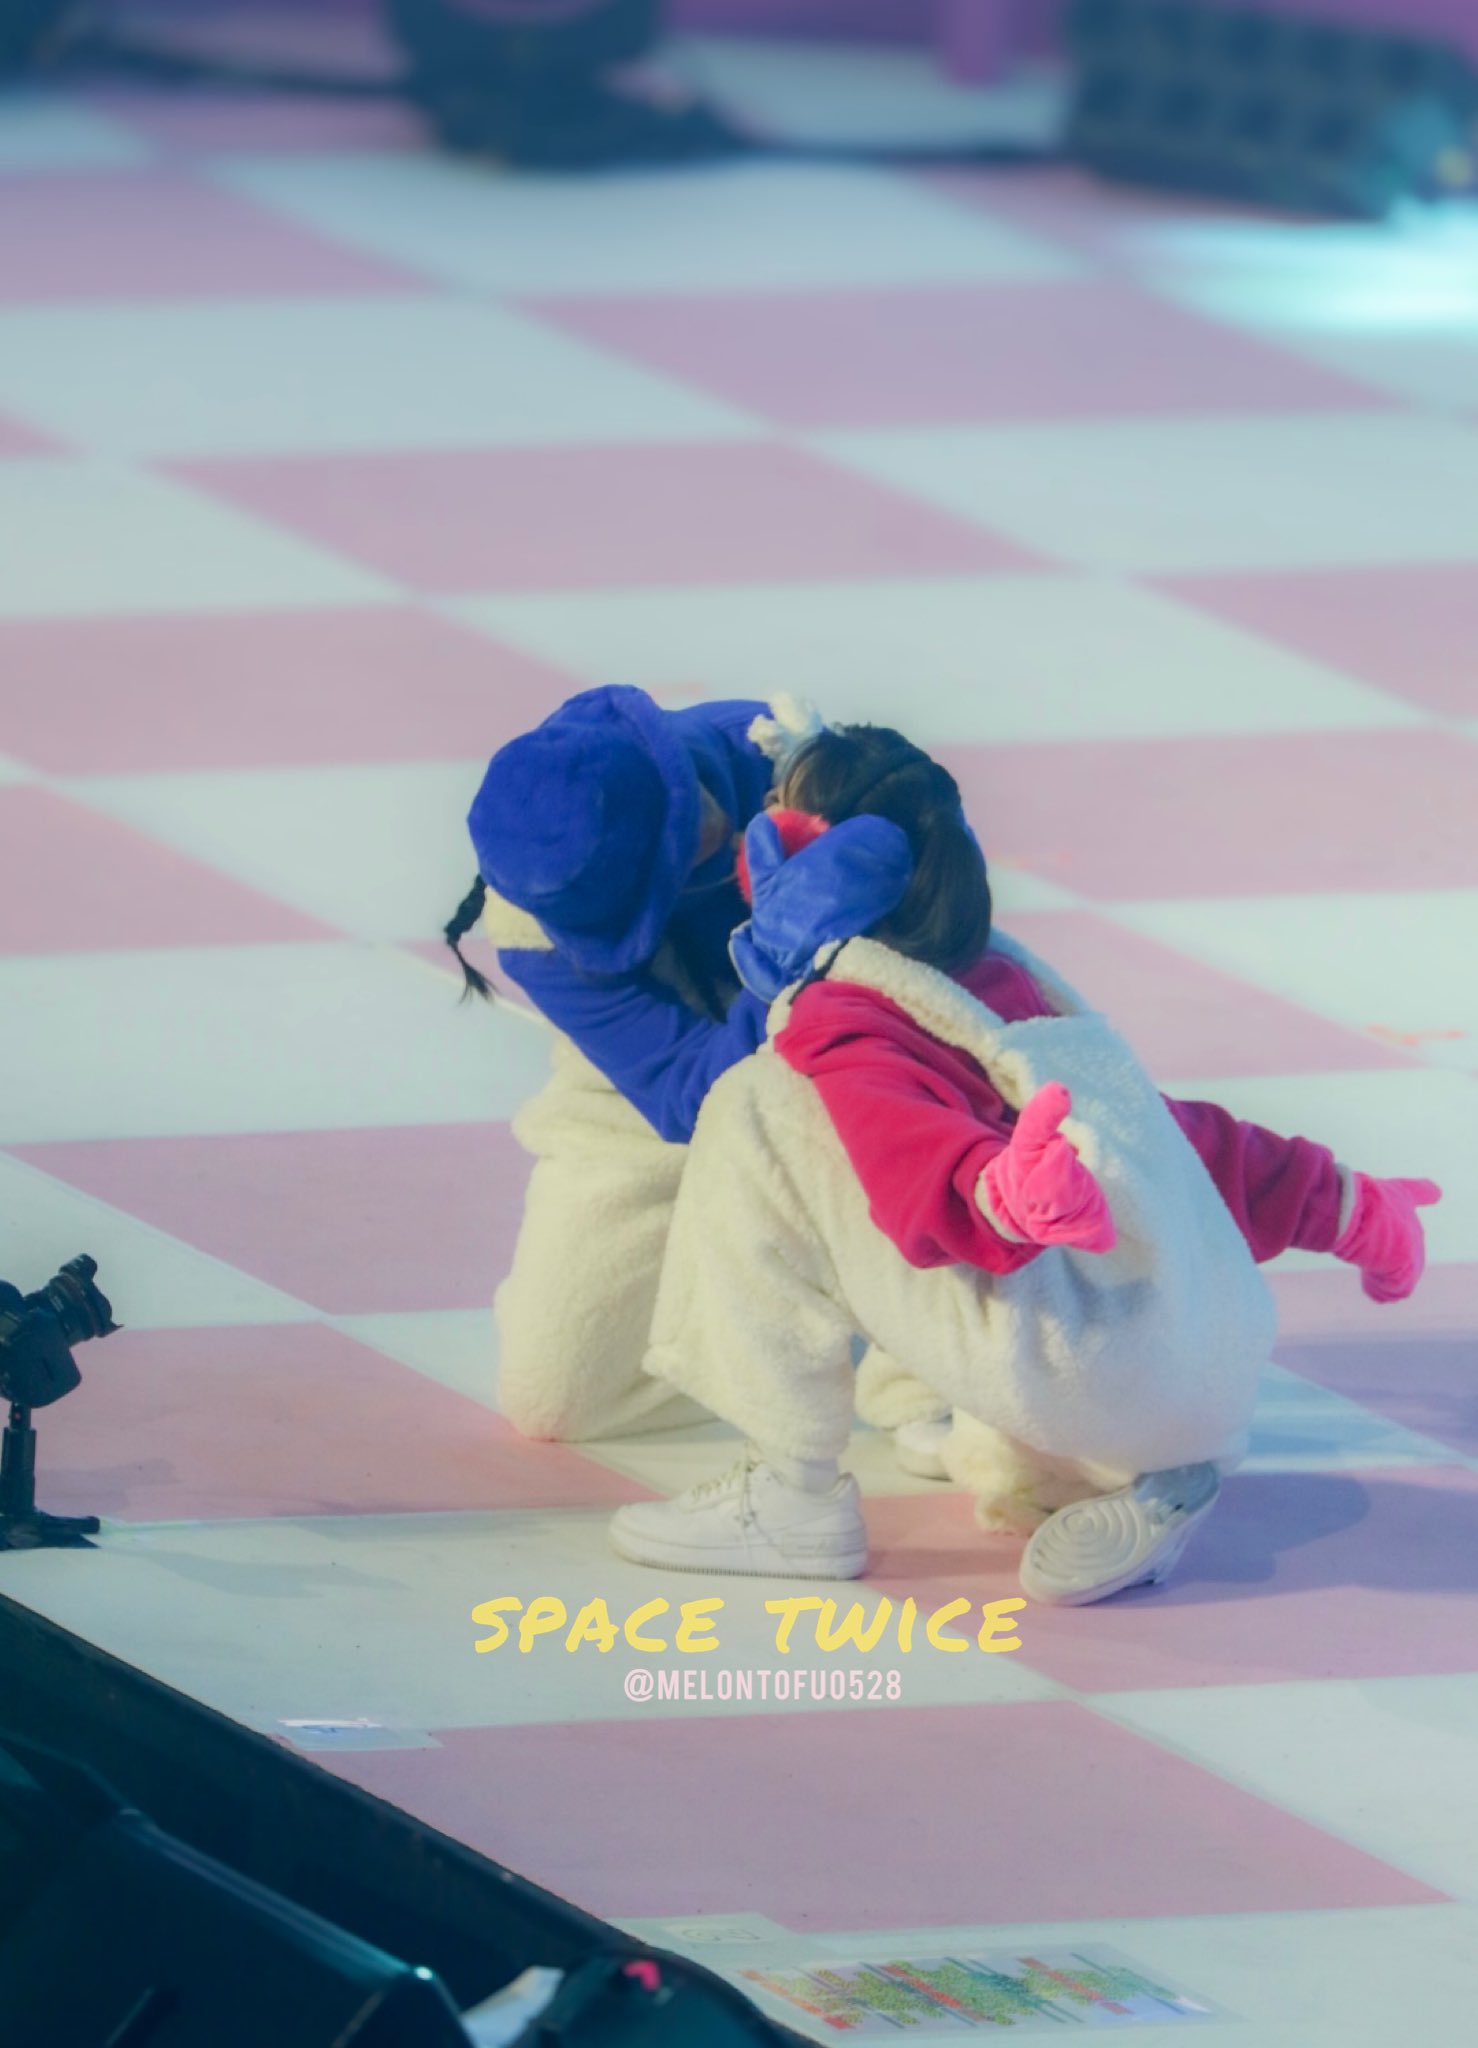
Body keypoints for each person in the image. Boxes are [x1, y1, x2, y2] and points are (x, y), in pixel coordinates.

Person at [607, 721, 1442, 1605]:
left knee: (756, 1103)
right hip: (1202, 1375)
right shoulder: (1006, 980)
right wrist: (1345, 1204)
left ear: (810, 858)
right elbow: (1172, 1139)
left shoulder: (845, 1010)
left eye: (775, 810)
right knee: (1057, 1169)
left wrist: (1001, 1197)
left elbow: (917, 1174)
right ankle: (1130, 1474)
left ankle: (788, 1494)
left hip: (1073, 1366)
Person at [445, 685, 945, 1444]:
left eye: (686, 807)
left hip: (859, 1048)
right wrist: (777, 962)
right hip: (650, 1090)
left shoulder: (784, 755)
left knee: (942, 1356)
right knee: (555, 1399)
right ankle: (787, 1338)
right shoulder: (539, 916)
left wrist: (869, 890)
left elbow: (953, 935)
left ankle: (906, 1329)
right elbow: (688, 1097)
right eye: (674, 861)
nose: (710, 829)